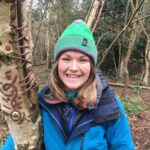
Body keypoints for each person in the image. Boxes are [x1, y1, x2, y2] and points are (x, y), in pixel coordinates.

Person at [1, 19, 134, 150]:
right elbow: (18, 139)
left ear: (91, 67)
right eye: (66, 59)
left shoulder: (109, 106)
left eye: (83, 60)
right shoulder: (41, 102)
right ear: (57, 64)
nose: (74, 67)